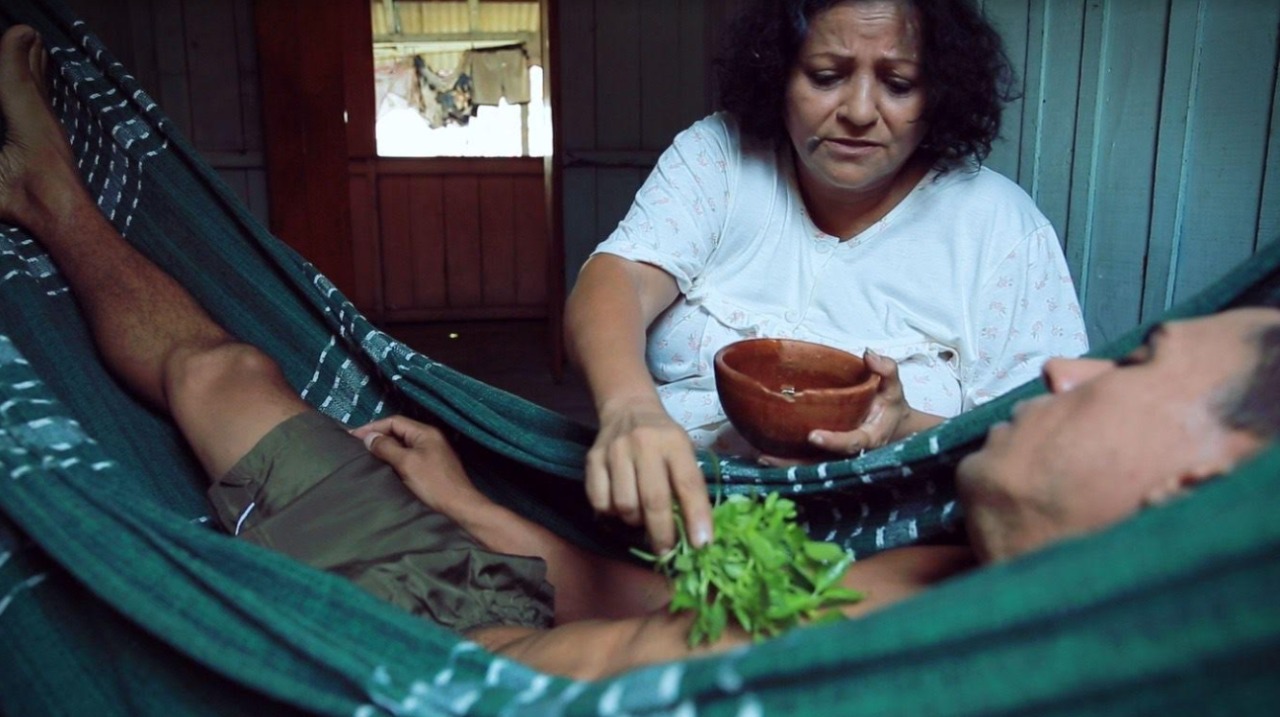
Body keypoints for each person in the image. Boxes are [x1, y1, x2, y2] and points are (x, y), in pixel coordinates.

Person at [5, 23, 1278, 682]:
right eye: (825, 71)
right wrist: (475, 494)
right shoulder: (938, 583)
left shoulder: (972, 652)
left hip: (398, 665)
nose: (1066, 368)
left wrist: (903, 431)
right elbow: (650, 602)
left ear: (1198, 503)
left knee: (222, 392)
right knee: (231, 377)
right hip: (505, 595)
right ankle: (54, 199)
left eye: (1131, 362)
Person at [564, 0, 1090, 556]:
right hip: (665, 514)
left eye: (899, 83)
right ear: (778, 72)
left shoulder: (999, 226)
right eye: (826, 76)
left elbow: (1044, 442)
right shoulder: (719, 157)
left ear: (939, 92)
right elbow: (617, 277)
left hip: (881, 552)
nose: (860, 110)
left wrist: (903, 422)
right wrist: (630, 409)